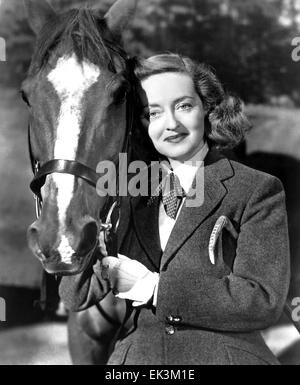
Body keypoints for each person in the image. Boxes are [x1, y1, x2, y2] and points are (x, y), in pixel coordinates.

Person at [60, 53, 290, 365]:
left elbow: (262, 300)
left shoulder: (256, 189)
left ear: (207, 109)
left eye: (183, 105)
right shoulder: (125, 193)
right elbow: (76, 295)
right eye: (152, 113)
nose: (171, 124)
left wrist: (152, 288)